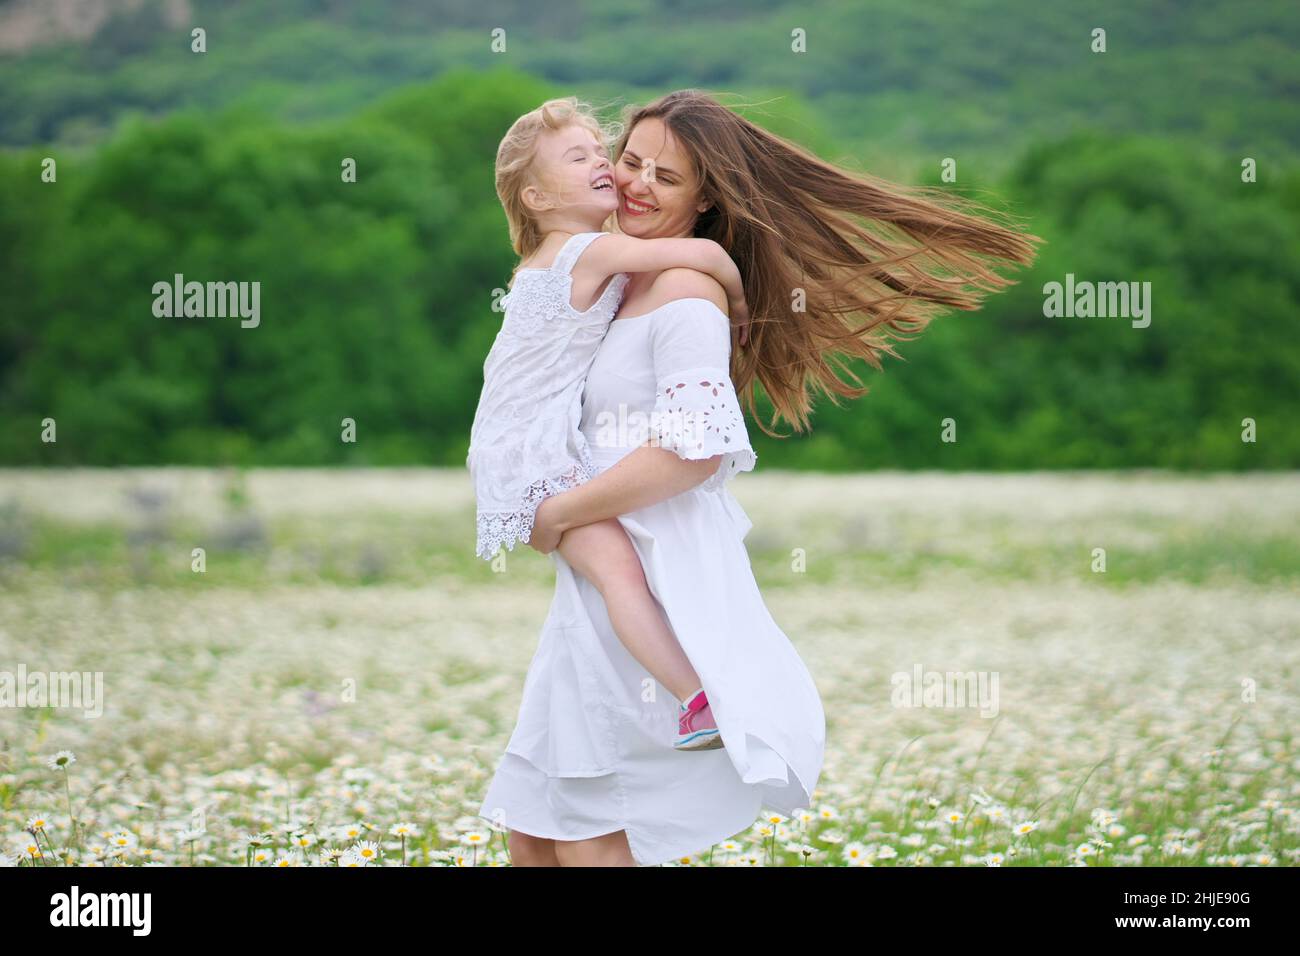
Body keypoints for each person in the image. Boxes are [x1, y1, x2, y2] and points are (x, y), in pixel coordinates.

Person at [478, 90, 1042, 866]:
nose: (636, 183)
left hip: (643, 581)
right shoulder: (617, 279)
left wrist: (561, 512)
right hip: (596, 587)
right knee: (536, 835)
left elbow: (694, 452)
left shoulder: (683, 294)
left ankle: (692, 698)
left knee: (593, 834)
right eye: (630, 161)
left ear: (706, 197)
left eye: (666, 177)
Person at [468, 96, 752, 750]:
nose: (603, 163)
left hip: (512, 450)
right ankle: (696, 699)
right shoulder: (588, 253)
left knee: (609, 576)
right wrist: (737, 301)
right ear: (537, 198)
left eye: (601, 150)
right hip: (533, 455)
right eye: (579, 157)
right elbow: (706, 258)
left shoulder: (548, 259)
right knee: (621, 575)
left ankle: (690, 700)